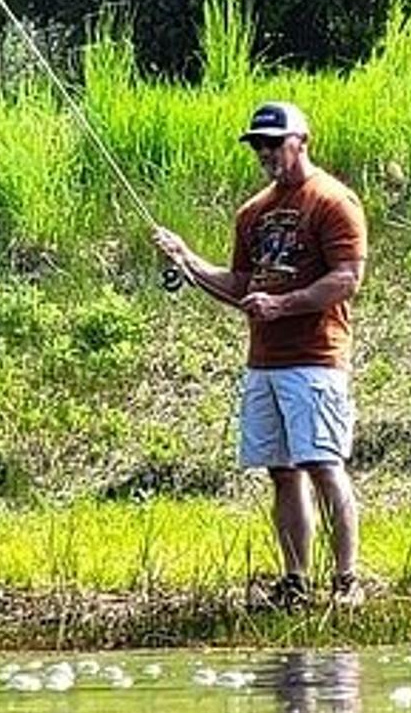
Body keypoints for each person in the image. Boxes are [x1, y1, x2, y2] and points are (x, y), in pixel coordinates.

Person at [153, 101, 369, 607]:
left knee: (323, 464)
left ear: (302, 140)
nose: (266, 152)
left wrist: (283, 303)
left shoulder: (334, 200)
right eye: (258, 144)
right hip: (264, 362)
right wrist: (187, 261)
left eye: (275, 142)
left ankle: (347, 581)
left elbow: (346, 279)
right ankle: (295, 581)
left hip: (316, 357)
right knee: (281, 471)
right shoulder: (252, 212)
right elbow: (240, 286)